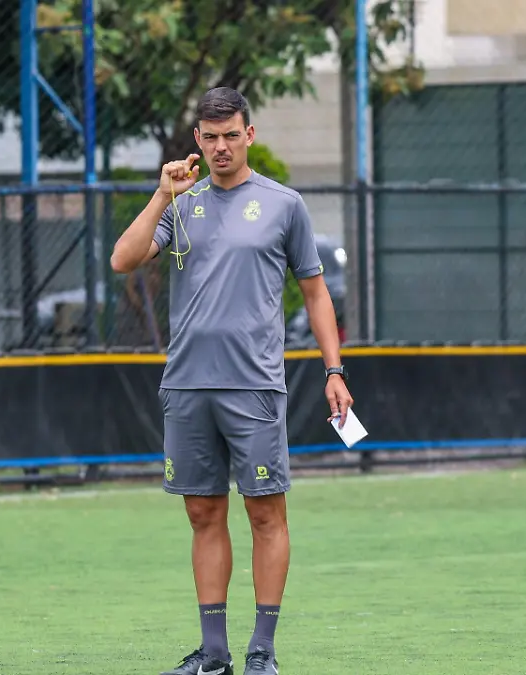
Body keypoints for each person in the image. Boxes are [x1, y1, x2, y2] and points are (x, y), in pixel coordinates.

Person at [110, 87, 352, 675]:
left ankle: (262, 653)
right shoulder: (181, 204)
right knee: (202, 515)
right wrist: (161, 195)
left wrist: (334, 370)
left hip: (255, 386)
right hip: (187, 386)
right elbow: (123, 258)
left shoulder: (283, 205)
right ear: (197, 139)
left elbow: (316, 294)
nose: (220, 147)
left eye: (231, 135)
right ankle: (213, 654)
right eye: (210, 137)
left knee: (267, 515)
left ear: (250, 134)